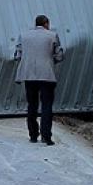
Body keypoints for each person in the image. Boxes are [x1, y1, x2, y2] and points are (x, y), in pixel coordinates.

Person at [15, 14, 65, 146]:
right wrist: (50, 60)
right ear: (46, 24)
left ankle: (33, 135)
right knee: (47, 105)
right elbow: (59, 56)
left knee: (32, 105)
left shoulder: (24, 35)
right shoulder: (52, 36)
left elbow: (17, 55)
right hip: (47, 75)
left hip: (29, 75)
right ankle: (46, 137)